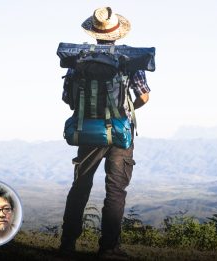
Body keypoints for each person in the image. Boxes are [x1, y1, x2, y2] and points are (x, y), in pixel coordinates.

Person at [59, 6, 151, 260]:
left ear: (94, 33)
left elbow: (68, 98)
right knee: (116, 189)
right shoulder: (128, 60)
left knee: (80, 186)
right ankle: (109, 247)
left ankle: (67, 244)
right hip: (120, 133)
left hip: (87, 131)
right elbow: (143, 96)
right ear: (117, 34)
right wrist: (127, 109)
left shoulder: (77, 61)